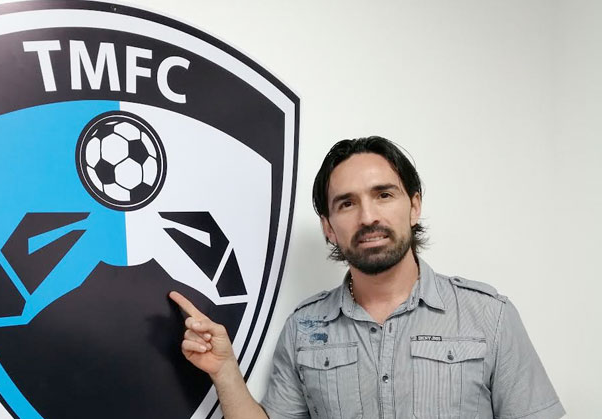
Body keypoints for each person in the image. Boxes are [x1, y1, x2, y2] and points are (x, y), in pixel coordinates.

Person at [169, 136, 564, 419]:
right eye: (347, 203)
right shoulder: (304, 329)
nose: (368, 216)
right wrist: (225, 372)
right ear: (328, 227)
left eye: (383, 195)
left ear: (414, 206)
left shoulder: (490, 317)